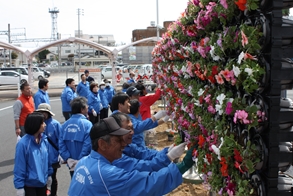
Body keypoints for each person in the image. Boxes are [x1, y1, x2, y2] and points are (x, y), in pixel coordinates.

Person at [68, 116, 195, 196]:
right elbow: (148, 184)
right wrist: (183, 165)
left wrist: (167, 154)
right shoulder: (106, 174)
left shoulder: (84, 162)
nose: (123, 144)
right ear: (102, 144)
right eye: (118, 140)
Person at [111, 112, 185, 172]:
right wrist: (169, 157)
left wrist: (167, 151)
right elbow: (143, 167)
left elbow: (145, 153)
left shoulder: (128, 146)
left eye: (132, 128)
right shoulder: (115, 156)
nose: (132, 132)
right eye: (128, 129)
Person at [14, 112, 53, 196]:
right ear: (35, 124)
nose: (45, 125)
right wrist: (19, 187)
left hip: (42, 183)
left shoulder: (44, 140)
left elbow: (47, 160)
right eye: (42, 122)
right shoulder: (23, 144)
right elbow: (19, 166)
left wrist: (49, 174)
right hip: (30, 186)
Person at [59, 97, 92, 178]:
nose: (88, 107)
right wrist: (80, 160)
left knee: (74, 183)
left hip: (71, 164)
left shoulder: (65, 125)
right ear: (82, 109)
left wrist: (68, 158)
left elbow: (60, 144)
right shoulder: (87, 124)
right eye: (86, 106)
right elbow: (88, 144)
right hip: (85, 164)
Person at [36, 103, 61, 196]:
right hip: (40, 157)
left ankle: (54, 194)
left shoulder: (55, 124)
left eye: (44, 112)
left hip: (52, 157)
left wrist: (60, 154)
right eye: (41, 112)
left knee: (53, 178)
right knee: (41, 178)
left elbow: (60, 140)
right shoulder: (36, 124)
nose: (43, 114)